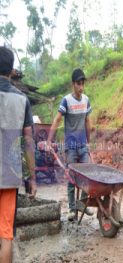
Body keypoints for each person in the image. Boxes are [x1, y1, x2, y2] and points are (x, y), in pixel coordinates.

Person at [0, 46, 36, 263]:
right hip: (9, 176)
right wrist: (31, 178)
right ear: (12, 70)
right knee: (6, 235)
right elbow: (28, 143)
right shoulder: (22, 100)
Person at [47, 68, 93, 221]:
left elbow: (87, 121)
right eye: (79, 84)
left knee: (88, 175)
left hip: (82, 145)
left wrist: (89, 141)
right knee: (72, 178)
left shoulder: (86, 100)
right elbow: (57, 120)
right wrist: (49, 140)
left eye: (83, 84)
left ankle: (82, 204)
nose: (81, 87)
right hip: (70, 147)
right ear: (73, 84)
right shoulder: (66, 100)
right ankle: (73, 209)